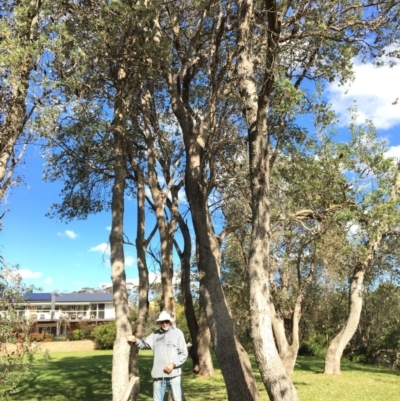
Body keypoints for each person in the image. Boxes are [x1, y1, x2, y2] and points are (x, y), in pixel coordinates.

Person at [128, 310, 188, 401]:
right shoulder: (155, 334)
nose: (164, 324)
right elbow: (144, 344)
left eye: (166, 321)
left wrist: (173, 364)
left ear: (170, 321)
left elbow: (184, 353)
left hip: (174, 375)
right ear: (159, 322)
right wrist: (135, 340)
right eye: (162, 322)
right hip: (158, 376)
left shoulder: (178, 333)